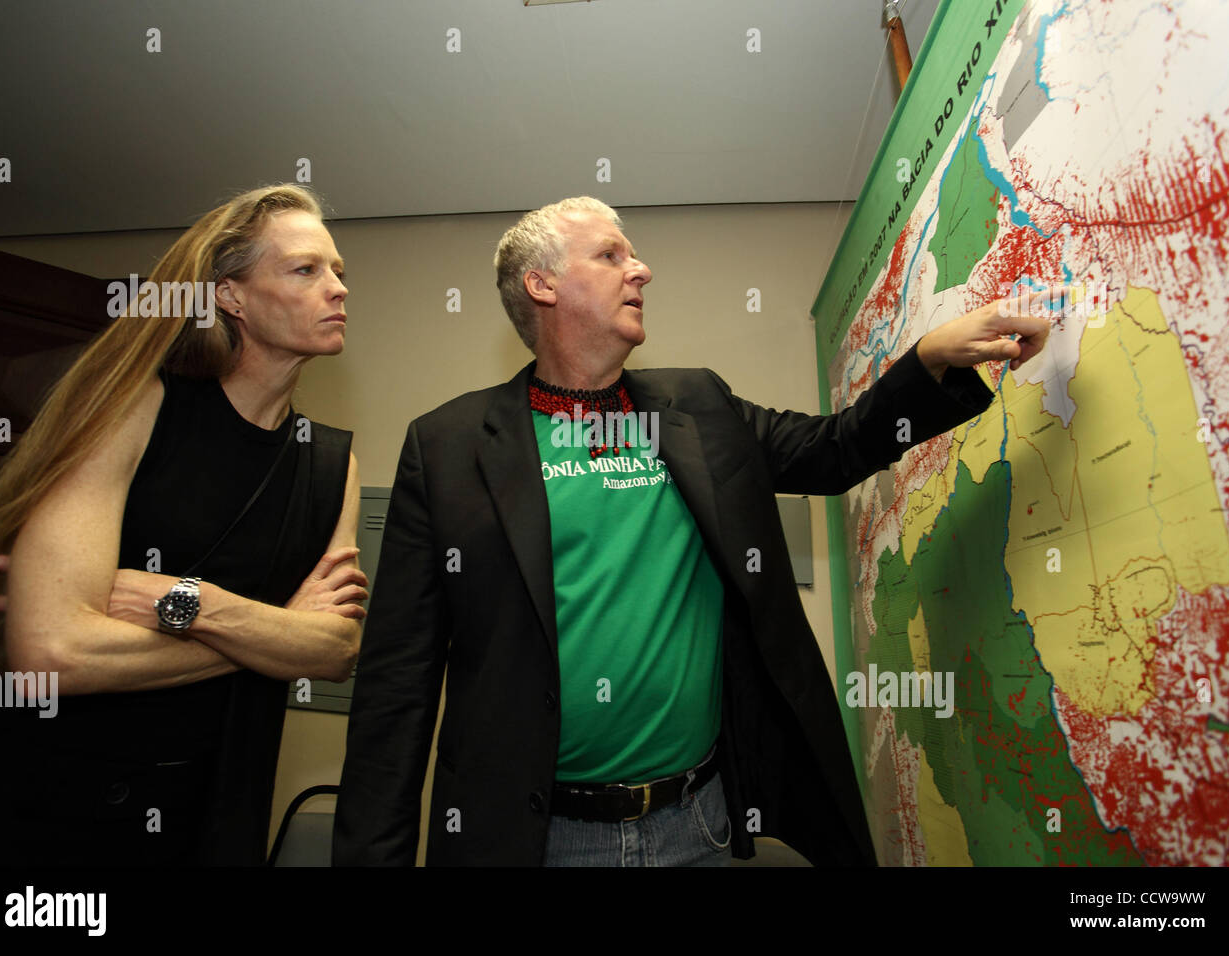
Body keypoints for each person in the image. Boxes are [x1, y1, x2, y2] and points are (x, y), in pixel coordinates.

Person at [334, 196, 1051, 867]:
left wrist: (927, 360)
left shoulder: (697, 406)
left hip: (698, 821)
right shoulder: (448, 444)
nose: (641, 269)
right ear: (542, 285)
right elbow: (397, 684)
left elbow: (833, 451)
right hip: (535, 838)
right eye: (611, 256)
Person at [0, 184, 367, 865]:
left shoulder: (332, 462)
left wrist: (187, 603)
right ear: (230, 295)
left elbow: (336, 653)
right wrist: (275, 636)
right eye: (306, 269)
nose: (338, 289)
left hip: (216, 808)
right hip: (51, 809)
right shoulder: (135, 405)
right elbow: (53, 652)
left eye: (339, 272)